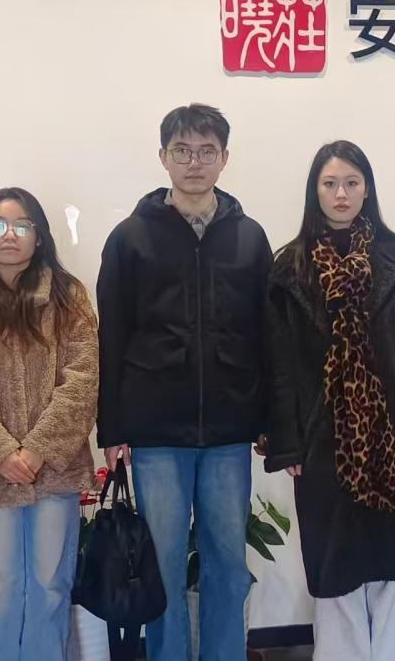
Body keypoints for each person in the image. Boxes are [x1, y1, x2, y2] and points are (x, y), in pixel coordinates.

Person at [264, 140, 395, 661]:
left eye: (351, 183)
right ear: (315, 191)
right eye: (330, 183)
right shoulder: (290, 268)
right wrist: (287, 443)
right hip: (323, 437)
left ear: (367, 188)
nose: (341, 194)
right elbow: (279, 366)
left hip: (393, 433)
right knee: (336, 569)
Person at [96, 103, 272, 661]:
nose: (194, 162)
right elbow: (112, 335)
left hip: (228, 431)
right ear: (163, 157)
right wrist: (112, 427)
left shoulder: (249, 238)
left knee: (228, 565)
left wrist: (267, 419)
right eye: (182, 151)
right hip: (157, 433)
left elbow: (266, 335)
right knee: (164, 567)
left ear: (224, 158)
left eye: (206, 151)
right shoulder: (130, 238)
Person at [0, 187, 98, 660]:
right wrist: (0, 452)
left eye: (21, 225)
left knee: (51, 584)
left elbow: (82, 380)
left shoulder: (68, 298)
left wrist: (36, 450)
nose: (9, 235)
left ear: (39, 235)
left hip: (54, 469)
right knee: (0, 589)